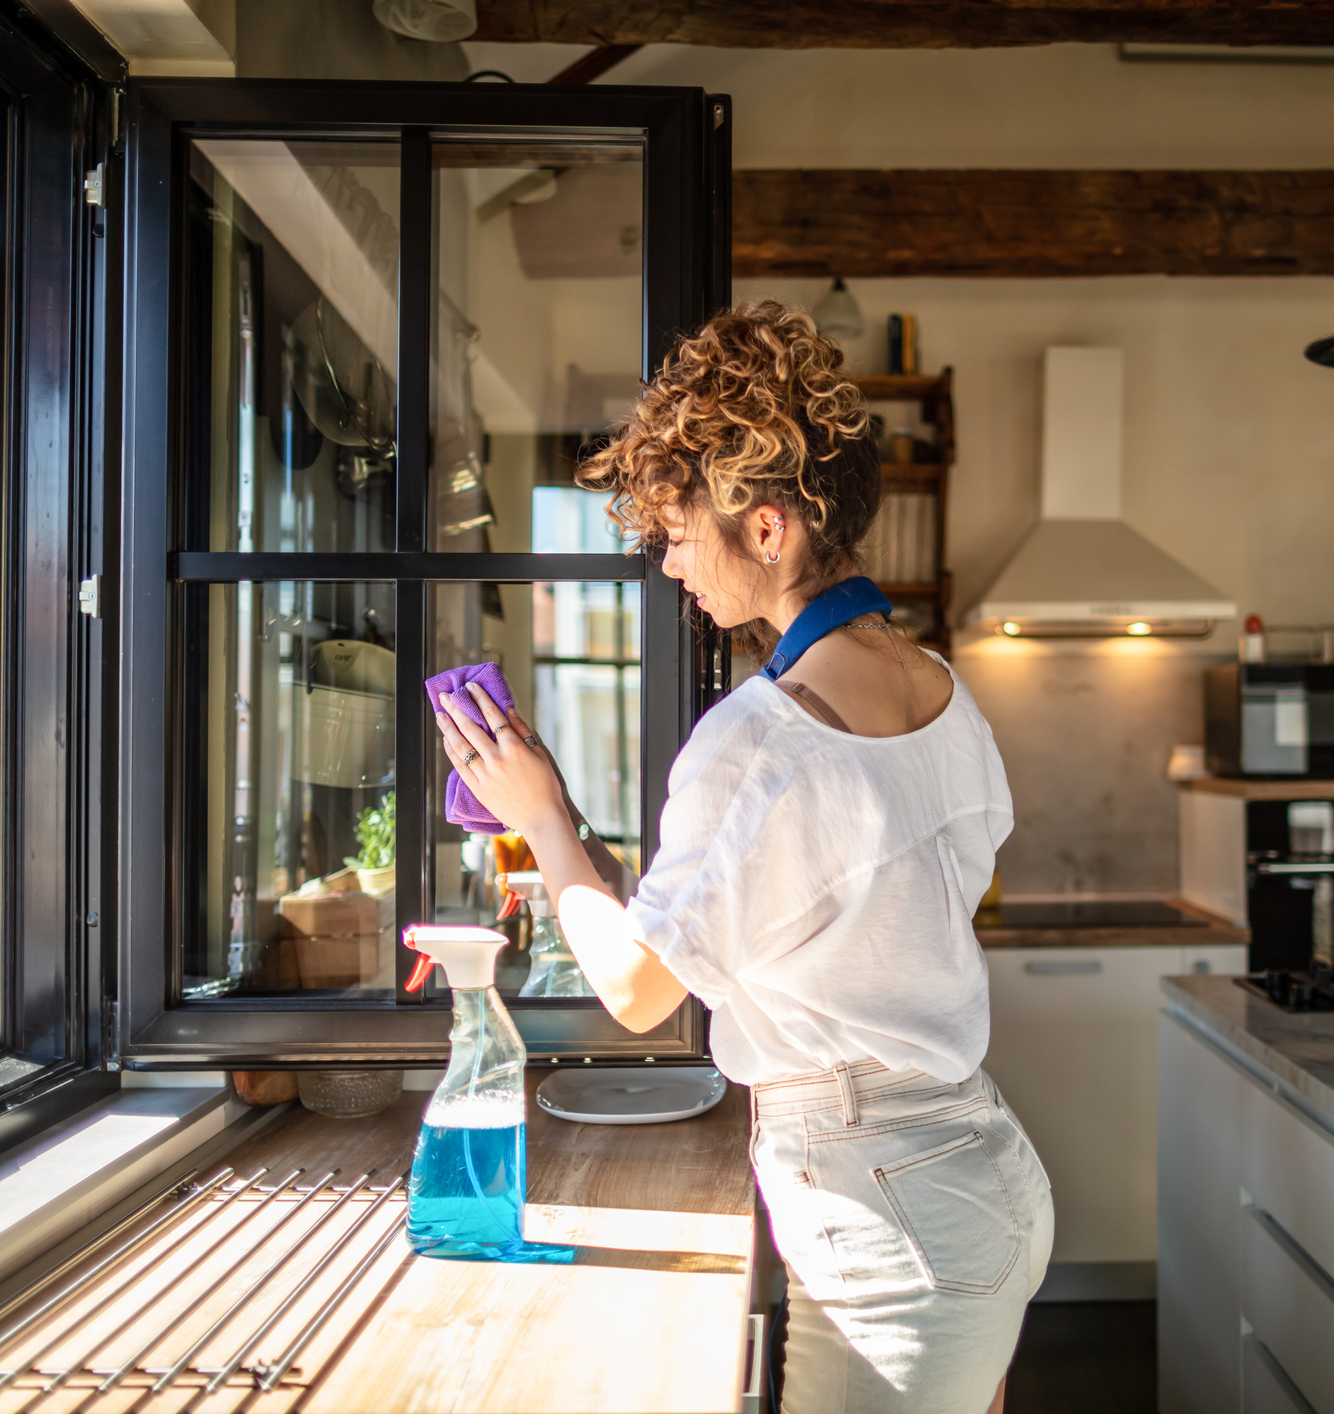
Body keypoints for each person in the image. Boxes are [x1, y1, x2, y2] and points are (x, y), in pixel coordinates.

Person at [433, 301, 1051, 1414]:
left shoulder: (762, 734)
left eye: (678, 531)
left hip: (882, 1216)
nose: (669, 562)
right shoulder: (946, 696)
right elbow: (857, 899)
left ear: (768, 530)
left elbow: (631, 989)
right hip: (982, 1172)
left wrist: (543, 815)